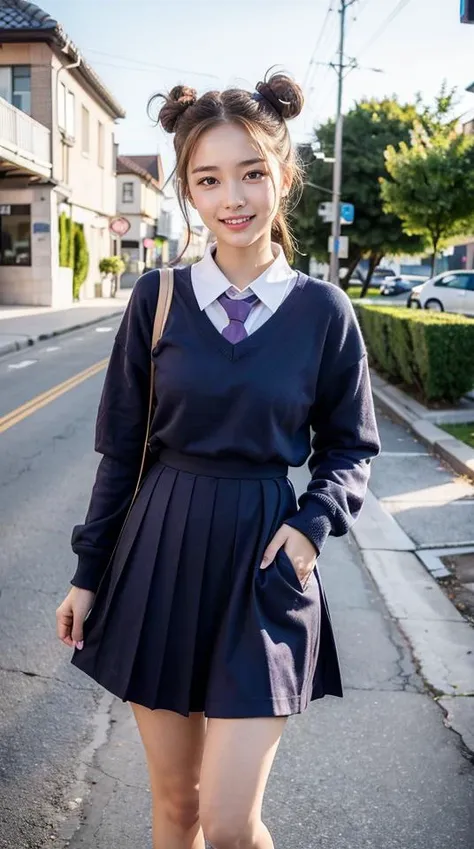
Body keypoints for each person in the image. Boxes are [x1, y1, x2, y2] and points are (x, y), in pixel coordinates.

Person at [56, 69, 380, 849]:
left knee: (232, 822)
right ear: (188, 193)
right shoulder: (156, 296)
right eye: (209, 179)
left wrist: (309, 528)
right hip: (159, 554)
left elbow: (350, 446)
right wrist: (87, 571)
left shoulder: (322, 313)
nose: (232, 197)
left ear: (284, 178)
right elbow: (121, 450)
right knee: (177, 808)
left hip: (264, 564)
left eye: (251, 174)